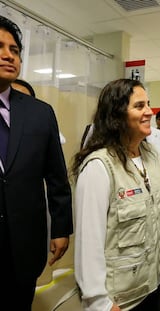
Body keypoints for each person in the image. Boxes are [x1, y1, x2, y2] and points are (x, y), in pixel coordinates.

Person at [72, 78, 160, 311]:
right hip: (120, 300)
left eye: (148, 104)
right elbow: (89, 243)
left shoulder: (152, 155)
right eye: (139, 106)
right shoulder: (99, 166)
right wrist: (99, 303)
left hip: (152, 284)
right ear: (116, 116)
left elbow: (155, 210)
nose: (150, 112)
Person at [0, 16, 73, 310]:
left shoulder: (39, 114)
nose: (8, 55)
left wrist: (60, 229)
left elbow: (57, 178)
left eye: (14, 49)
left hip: (24, 245)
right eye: (0, 47)